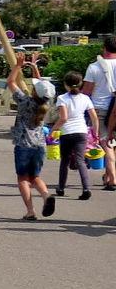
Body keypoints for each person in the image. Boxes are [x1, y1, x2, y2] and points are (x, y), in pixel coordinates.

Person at [5, 45, 57, 220]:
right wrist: (34, 67)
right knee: (35, 176)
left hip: (23, 145)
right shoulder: (46, 103)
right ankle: (46, 195)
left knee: (23, 178)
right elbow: (42, 89)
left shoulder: (24, 102)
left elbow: (11, 82)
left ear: (33, 92)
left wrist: (17, 66)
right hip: (39, 145)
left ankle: (30, 211)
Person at [53, 70, 99, 200]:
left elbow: (63, 118)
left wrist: (52, 130)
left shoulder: (62, 98)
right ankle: (86, 188)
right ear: (80, 84)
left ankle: (61, 187)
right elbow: (94, 117)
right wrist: (95, 132)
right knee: (80, 161)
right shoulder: (85, 98)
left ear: (66, 85)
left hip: (67, 133)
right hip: (82, 132)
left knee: (65, 161)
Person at [84, 37, 116, 192]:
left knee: (106, 143)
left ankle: (113, 180)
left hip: (101, 109)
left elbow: (87, 91)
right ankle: (108, 175)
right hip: (113, 108)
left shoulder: (94, 67)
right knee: (114, 144)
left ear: (104, 48)